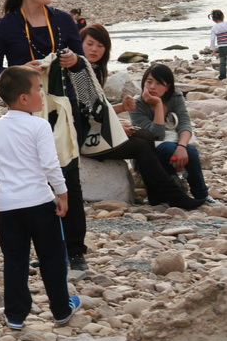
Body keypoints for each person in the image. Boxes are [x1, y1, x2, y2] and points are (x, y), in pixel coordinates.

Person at [0, 0, 89, 271]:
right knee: (31, 177)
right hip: (24, 113)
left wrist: (73, 60)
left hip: (62, 107)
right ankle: (42, 248)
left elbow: (83, 61)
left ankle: (75, 250)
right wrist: (17, 70)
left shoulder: (62, 20)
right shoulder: (6, 25)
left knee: (68, 174)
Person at [0, 65, 80, 330]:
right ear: (24, 98)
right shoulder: (39, 126)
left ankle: (15, 315)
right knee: (53, 257)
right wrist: (63, 193)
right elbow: (50, 165)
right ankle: (61, 309)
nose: (42, 93)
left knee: (15, 261)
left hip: (9, 207)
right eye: (39, 89)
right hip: (39, 204)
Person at [80, 24, 203, 210]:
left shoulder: (93, 70)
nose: (94, 49)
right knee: (140, 145)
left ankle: (157, 193)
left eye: (100, 46)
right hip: (84, 137)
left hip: (93, 131)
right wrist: (115, 125)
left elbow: (96, 110)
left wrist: (121, 107)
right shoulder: (78, 72)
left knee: (144, 136)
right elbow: (80, 113)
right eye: (90, 44)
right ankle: (173, 194)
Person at [130, 64, 221, 206]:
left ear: (167, 87)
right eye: (149, 82)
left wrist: (181, 147)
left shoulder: (175, 97)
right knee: (166, 148)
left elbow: (185, 124)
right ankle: (164, 193)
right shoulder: (137, 104)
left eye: (159, 83)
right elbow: (156, 135)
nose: (152, 87)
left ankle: (202, 196)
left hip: (173, 144)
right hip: (149, 152)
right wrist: (158, 105)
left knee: (190, 151)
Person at [209, 9, 227, 80]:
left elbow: (212, 39)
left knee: (222, 62)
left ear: (213, 19)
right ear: (223, 16)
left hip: (222, 47)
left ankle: (222, 76)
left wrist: (212, 49)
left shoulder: (214, 28)